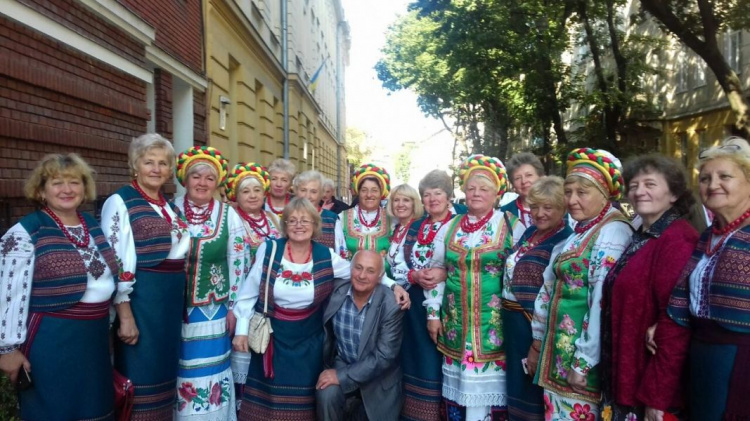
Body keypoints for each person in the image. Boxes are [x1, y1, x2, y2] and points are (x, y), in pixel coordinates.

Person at [232, 198, 410, 420]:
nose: (299, 225)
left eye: (305, 220)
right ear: (285, 224)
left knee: (302, 403)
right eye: (293, 220)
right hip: (272, 338)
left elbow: (359, 272)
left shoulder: (324, 255)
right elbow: (248, 293)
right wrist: (241, 330)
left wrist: (393, 285)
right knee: (269, 402)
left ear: (314, 225)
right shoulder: (269, 250)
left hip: (308, 339)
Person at [0, 153, 117, 420]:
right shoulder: (26, 232)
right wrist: (7, 350)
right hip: (51, 341)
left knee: (94, 408)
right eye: (57, 182)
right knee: (55, 409)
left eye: (74, 182)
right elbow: (8, 294)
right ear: (41, 190)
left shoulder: (91, 225)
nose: (67, 189)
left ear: (84, 187)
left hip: (94, 339)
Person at [529, 148, 633, 420]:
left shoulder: (613, 231)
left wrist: (584, 363)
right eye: (568, 191)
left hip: (581, 367)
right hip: (559, 358)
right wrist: (538, 342)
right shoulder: (581, 231)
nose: (572, 200)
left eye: (582, 192)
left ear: (604, 194)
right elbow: (548, 289)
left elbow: (601, 302)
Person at [595, 155, 698, 421]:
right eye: (634, 185)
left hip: (649, 389)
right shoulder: (643, 234)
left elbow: (674, 323)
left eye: (650, 184)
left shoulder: (677, 239)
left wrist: (658, 396)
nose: (639, 191)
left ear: (673, 193)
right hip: (626, 378)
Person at [100, 134, 189, 420]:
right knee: (141, 374)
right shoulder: (120, 201)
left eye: (163, 163)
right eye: (149, 162)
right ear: (134, 164)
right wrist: (125, 316)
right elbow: (116, 260)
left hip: (169, 302)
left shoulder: (167, 205)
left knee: (164, 374)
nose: (156, 168)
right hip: (142, 300)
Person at [436, 154, 525, 420]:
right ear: (463, 190)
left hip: (494, 330)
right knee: (459, 399)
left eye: (484, 189)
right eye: (471, 187)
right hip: (456, 326)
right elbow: (437, 271)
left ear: (497, 194)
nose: (476, 193)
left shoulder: (512, 225)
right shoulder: (449, 227)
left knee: (489, 402)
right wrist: (432, 314)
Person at [667, 136, 750, 420]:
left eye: (724, 176)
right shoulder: (710, 234)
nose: (713, 184)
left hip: (741, 359)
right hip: (702, 354)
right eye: (705, 178)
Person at [174, 146, 249, 420]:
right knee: (178, 368)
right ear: (184, 179)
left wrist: (233, 308)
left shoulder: (229, 215)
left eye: (209, 177)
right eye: (196, 176)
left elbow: (238, 263)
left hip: (214, 311)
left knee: (211, 371)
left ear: (217, 182)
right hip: (174, 310)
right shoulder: (169, 211)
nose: (202, 182)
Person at [502, 176, 572, 420]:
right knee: (517, 389)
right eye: (535, 207)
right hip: (513, 325)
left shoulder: (564, 240)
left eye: (548, 207)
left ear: (562, 208)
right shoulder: (531, 232)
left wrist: (536, 344)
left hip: (534, 327)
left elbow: (551, 293)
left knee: (533, 391)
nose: (539, 213)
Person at [390, 171, 459, 421]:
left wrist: (443, 274)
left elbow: (463, 264)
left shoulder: (458, 225)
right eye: (426, 194)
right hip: (414, 304)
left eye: (437, 193)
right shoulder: (415, 226)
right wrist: (413, 277)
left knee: (437, 361)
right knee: (415, 359)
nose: (432, 199)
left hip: (448, 306)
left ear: (448, 196)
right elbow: (396, 262)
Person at [316, 250, 405, 421]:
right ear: (350, 269)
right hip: (343, 362)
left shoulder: (391, 305)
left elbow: (384, 357)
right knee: (326, 393)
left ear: (380, 277)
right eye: (358, 268)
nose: (362, 275)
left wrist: (341, 376)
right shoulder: (336, 291)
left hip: (379, 379)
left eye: (370, 271)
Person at [225, 162, 281, 400]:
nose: (252, 195)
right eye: (245, 191)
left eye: (257, 190)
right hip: (240, 301)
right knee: (242, 353)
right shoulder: (231, 218)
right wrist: (231, 307)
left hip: (270, 302)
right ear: (236, 195)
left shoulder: (273, 218)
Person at [340, 163, 394, 260]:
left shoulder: (392, 219)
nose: (369, 195)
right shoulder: (341, 218)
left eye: (374, 190)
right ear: (358, 192)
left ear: (381, 193)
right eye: (364, 190)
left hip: (385, 274)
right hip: (351, 274)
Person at [293, 170, 347, 256]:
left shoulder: (332, 220)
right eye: (303, 190)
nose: (308, 196)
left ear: (321, 194)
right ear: (296, 191)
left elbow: (341, 254)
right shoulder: (288, 217)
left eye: (313, 192)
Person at [501, 152, 545, 228]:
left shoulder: (557, 209)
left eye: (529, 175)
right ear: (513, 184)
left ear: (540, 177)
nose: (524, 181)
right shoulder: (504, 213)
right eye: (517, 178)